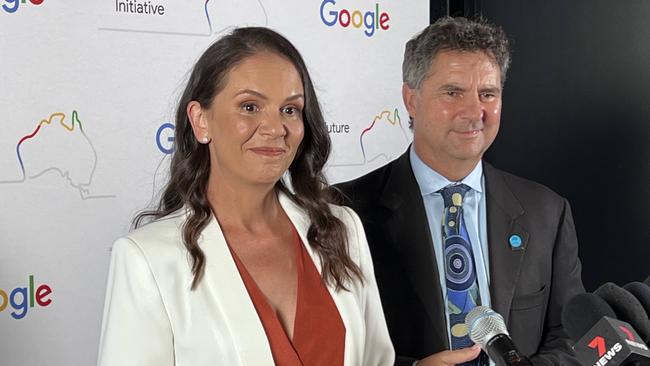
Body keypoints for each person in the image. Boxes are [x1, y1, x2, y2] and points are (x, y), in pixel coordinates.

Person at [97, 27, 394, 366]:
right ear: (201, 120)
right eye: (250, 107)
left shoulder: (341, 230)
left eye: (290, 110)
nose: (275, 128)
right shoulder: (146, 259)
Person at [335, 17, 584, 366]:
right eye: (453, 93)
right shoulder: (343, 213)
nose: (474, 111)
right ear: (411, 99)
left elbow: (572, 334)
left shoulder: (547, 212)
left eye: (488, 94)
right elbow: (332, 344)